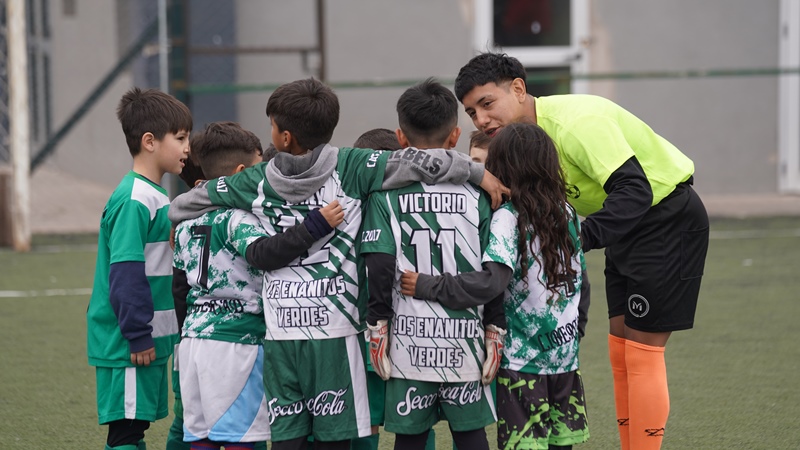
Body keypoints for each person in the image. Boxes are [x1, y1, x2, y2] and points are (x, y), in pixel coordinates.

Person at [167, 78, 509, 450]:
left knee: (288, 439)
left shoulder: (254, 180)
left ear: (282, 138)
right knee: (335, 440)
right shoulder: (353, 165)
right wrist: (477, 172)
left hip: (282, 333)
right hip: (335, 331)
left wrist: (180, 222)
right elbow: (420, 161)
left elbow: (186, 203)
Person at [454, 52, 710, 450]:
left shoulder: (576, 122)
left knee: (642, 353)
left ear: (519, 89)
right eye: (471, 112)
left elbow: (635, 189)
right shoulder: (524, 142)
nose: (481, 119)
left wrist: (576, 238)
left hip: (665, 217)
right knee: (621, 349)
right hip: (626, 227)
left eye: (487, 103)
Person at [401, 122, 591, 449]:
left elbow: (491, 283)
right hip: (565, 359)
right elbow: (583, 284)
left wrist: (428, 286)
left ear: (502, 165)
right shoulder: (567, 212)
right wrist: (576, 331)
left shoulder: (508, 217)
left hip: (523, 366)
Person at [172, 122, 343, 450]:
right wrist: (315, 224)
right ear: (240, 174)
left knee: (201, 438)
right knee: (241, 438)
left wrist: (186, 335)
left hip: (194, 343)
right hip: (236, 345)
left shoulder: (184, 225)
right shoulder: (238, 218)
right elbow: (263, 253)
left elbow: (179, 288)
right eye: (258, 170)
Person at [360, 78, 503, 450]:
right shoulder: (481, 193)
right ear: (456, 136)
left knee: (410, 437)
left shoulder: (384, 196)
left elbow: (378, 264)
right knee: (471, 436)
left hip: (410, 340)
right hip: (466, 338)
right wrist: (495, 326)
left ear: (400, 138)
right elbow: (498, 265)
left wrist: (377, 325)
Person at [86, 87, 191, 450]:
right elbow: (126, 272)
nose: (187, 148)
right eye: (180, 138)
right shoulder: (134, 198)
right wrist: (137, 333)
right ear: (149, 141)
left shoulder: (155, 194)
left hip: (146, 339)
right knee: (127, 433)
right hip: (129, 342)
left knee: (137, 427)